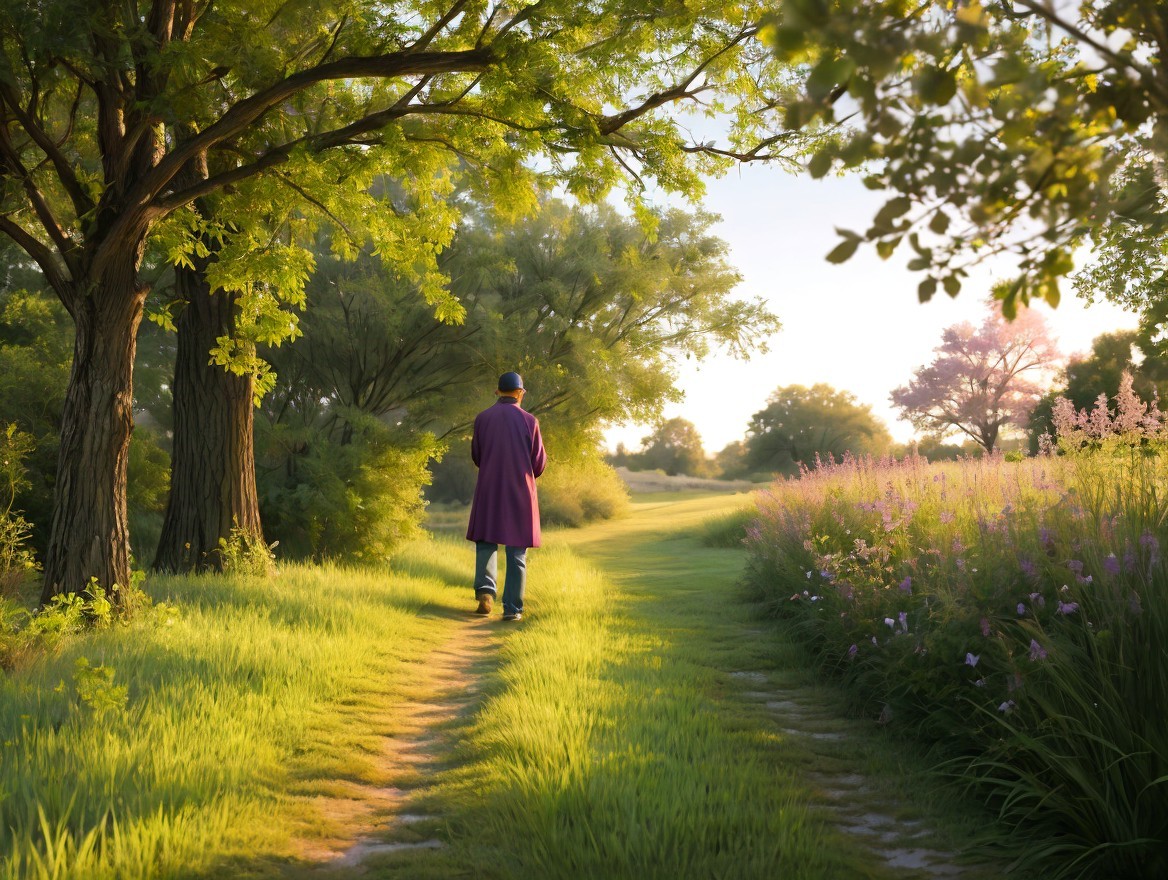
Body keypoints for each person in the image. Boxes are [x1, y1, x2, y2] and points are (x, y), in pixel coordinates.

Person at [466, 371, 547, 621]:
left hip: (490, 485)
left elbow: (477, 456)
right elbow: (539, 463)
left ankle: (486, 592)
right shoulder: (530, 421)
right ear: (521, 393)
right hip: (520, 490)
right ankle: (512, 608)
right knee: (517, 550)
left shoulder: (483, 418)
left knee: (486, 540)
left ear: (497, 391)